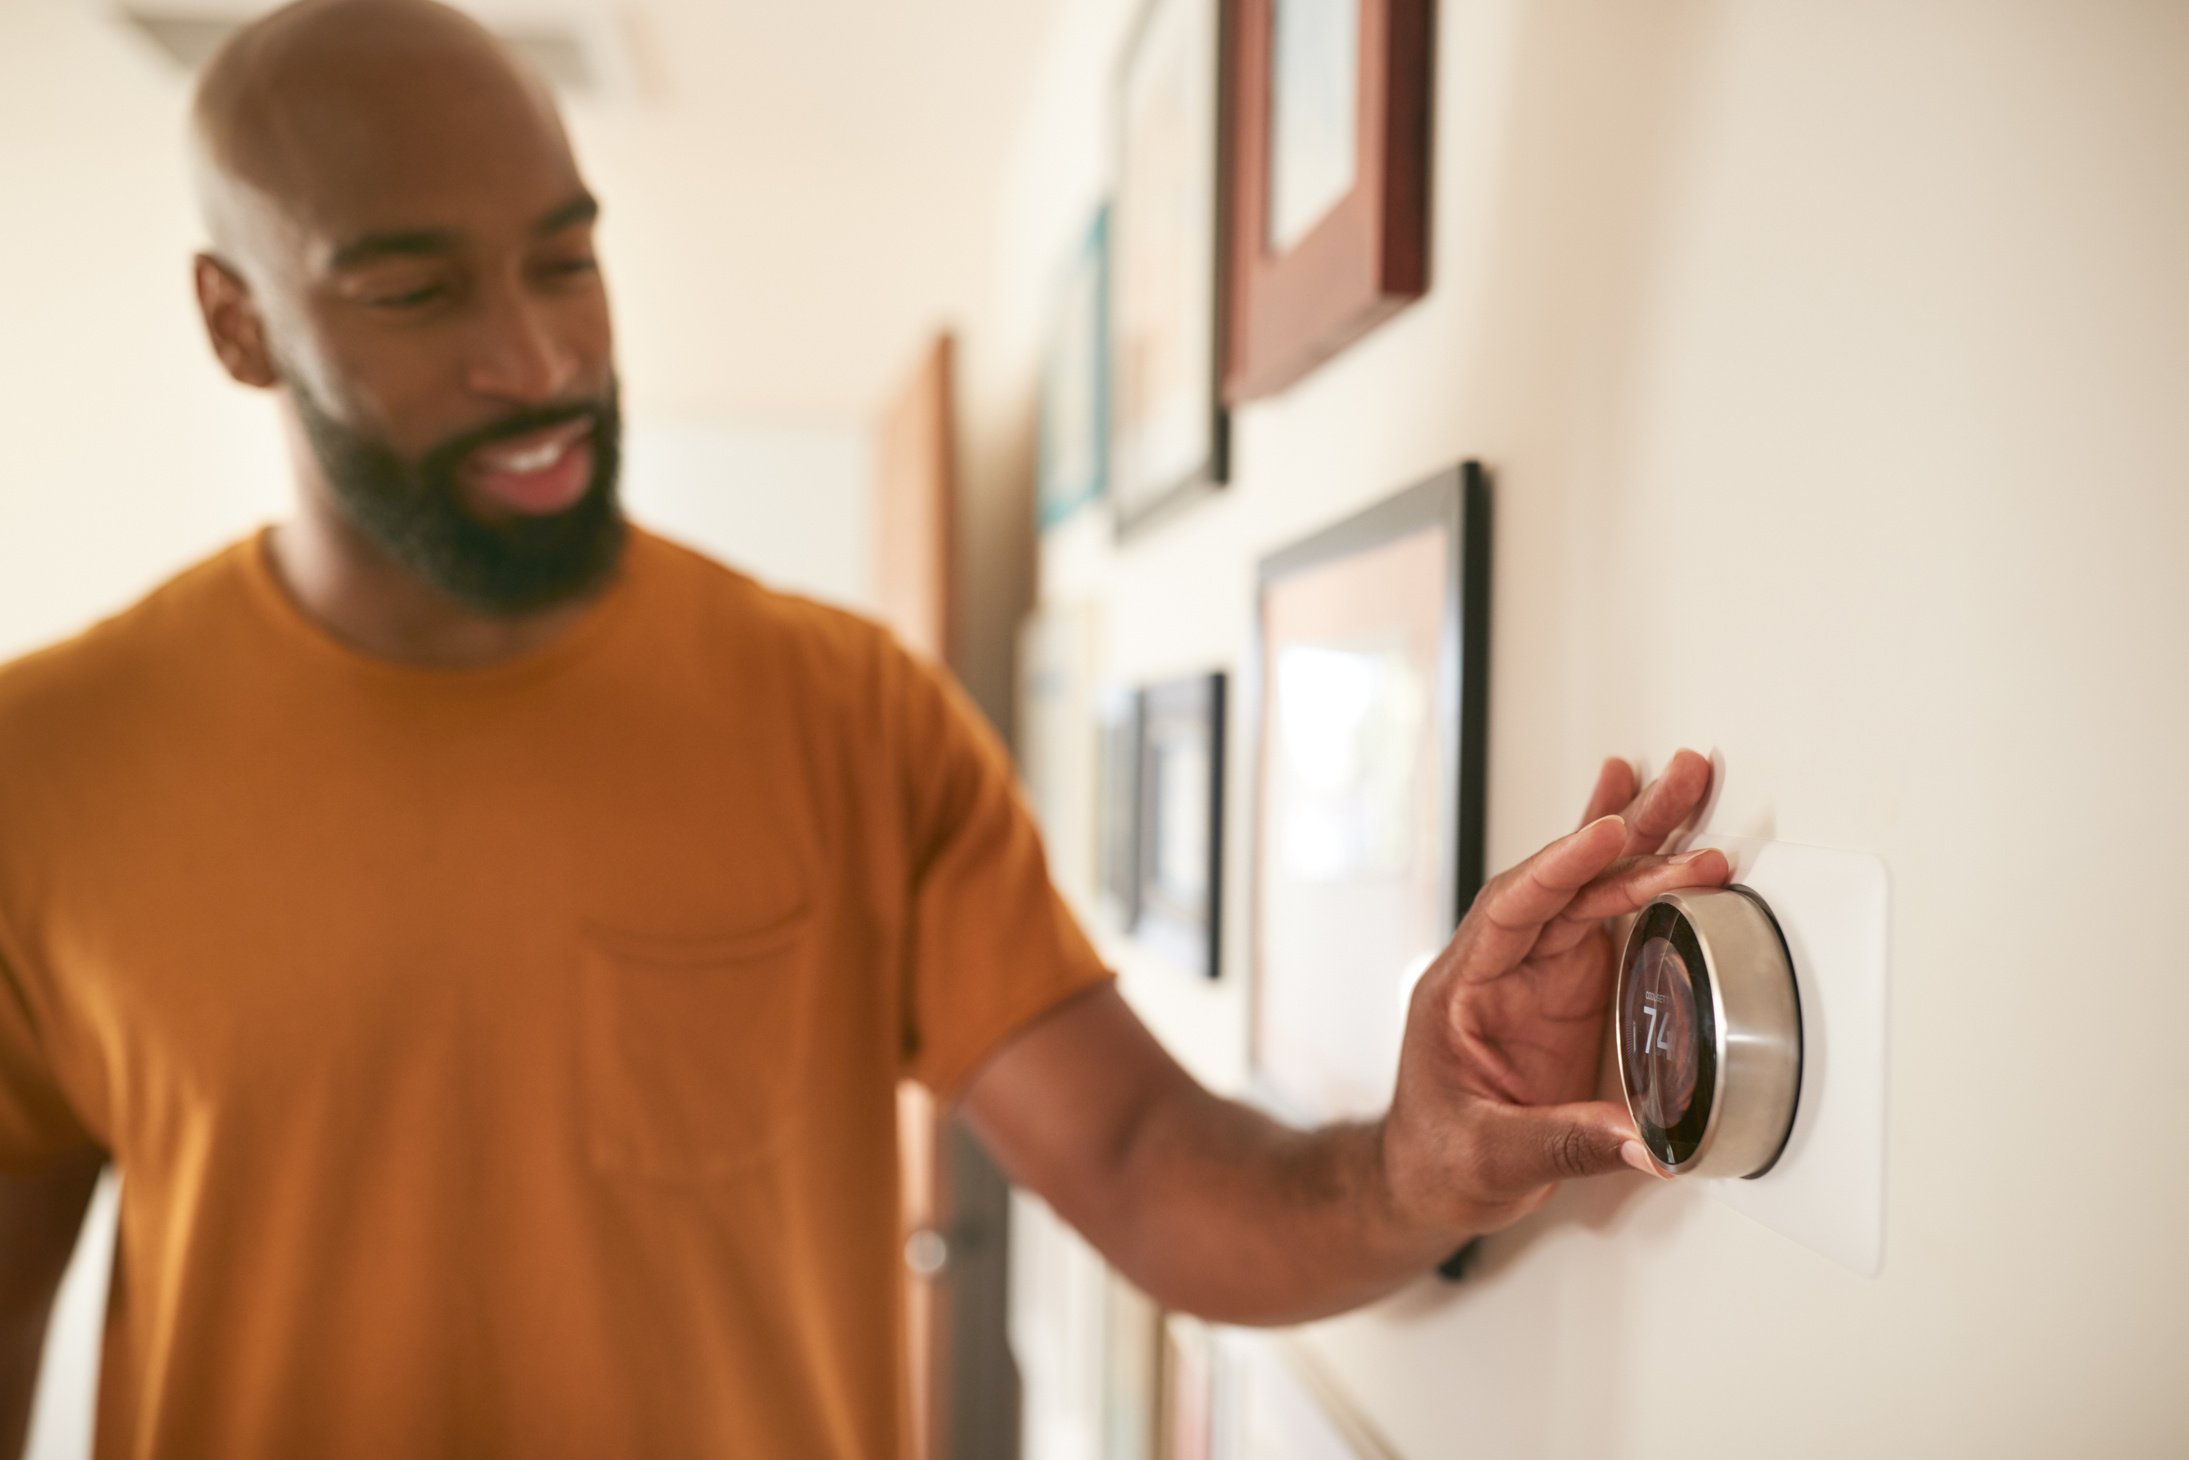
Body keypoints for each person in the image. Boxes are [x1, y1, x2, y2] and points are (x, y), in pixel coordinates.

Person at [0, 1, 1730, 1454]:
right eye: (411, 293)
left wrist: (1410, 1167)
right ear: (238, 322)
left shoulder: (845, 711)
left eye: (566, 259)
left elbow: (1136, 1160)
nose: (534, 359)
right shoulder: (44, 770)